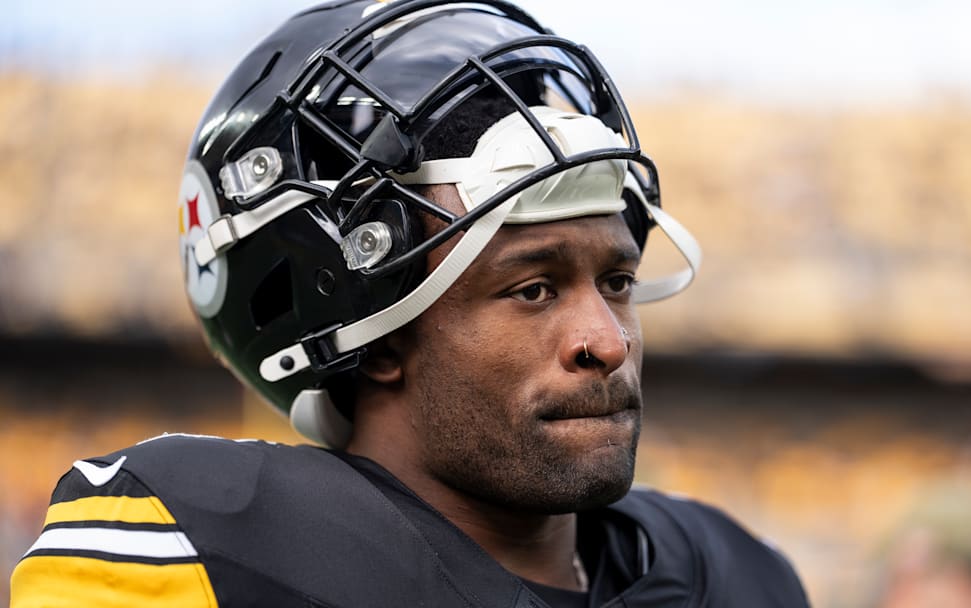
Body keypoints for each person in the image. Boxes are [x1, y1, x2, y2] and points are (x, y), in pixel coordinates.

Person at [11, 1, 809, 605]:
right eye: (532, 289)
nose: (607, 341)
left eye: (617, 282)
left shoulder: (736, 575)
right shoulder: (207, 547)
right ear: (377, 337)